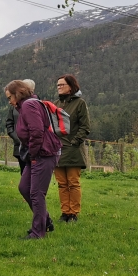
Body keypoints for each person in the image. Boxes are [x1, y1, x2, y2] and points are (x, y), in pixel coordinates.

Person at [7, 80, 61, 239]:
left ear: (17, 94)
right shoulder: (25, 105)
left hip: (44, 153)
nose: (9, 101)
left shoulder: (29, 106)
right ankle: (46, 220)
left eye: (9, 97)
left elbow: (36, 131)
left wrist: (34, 153)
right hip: (37, 153)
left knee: (36, 193)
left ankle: (38, 232)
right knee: (24, 188)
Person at [54, 74, 91, 222]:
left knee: (73, 182)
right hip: (57, 149)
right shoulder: (55, 103)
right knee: (62, 183)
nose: (59, 87)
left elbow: (85, 126)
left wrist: (74, 142)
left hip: (73, 149)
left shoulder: (80, 103)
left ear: (71, 86)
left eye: (62, 85)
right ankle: (65, 212)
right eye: (58, 85)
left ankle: (74, 213)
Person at [6, 79, 36, 174]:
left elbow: (37, 130)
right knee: (23, 173)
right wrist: (17, 138)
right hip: (19, 145)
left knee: (33, 176)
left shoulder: (34, 104)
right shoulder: (14, 106)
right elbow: (9, 123)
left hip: (33, 148)